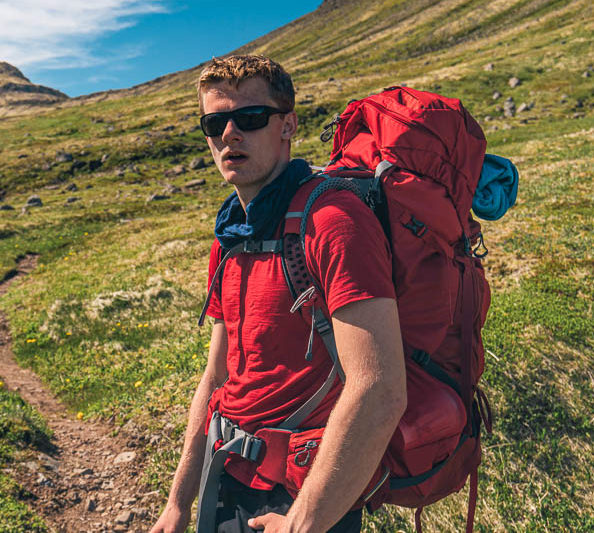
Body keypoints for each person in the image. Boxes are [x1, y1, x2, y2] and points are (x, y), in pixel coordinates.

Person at [150, 55, 407, 533]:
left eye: (250, 118)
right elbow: (217, 377)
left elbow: (380, 387)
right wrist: (178, 503)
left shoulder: (333, 222)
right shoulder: (232, 235)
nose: (230, 134)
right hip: (226, 474)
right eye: (215, 123)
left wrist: (304, 522)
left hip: (303, 494)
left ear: (288, 125)